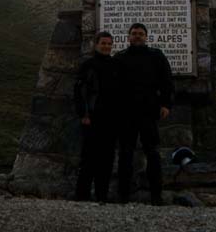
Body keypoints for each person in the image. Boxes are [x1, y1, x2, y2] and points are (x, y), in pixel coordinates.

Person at [115, 22, 174, 205]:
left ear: (146, 36)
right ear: (129, 37)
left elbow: (167, 81)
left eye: (141, 33)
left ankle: (156, 195)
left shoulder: (156, 56)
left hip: (149, 111)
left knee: (152, 153)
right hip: (126, 112)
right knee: (125, 153)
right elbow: (113, 86)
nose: (137, 36)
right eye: (134, 33)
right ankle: (123, 195)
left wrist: (165, 104)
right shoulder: (120, 57)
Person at [74, 30, 119, 202]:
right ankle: (82, 195)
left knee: (107, 159)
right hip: (91, 117)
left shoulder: (115, 65)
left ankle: (102, 195)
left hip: (111, 119)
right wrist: (83, 113)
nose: (106, 46)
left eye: (109, 44)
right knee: (88, 158)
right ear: (96, 44)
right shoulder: (88, 65)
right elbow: (79, 91)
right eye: (103, 43)